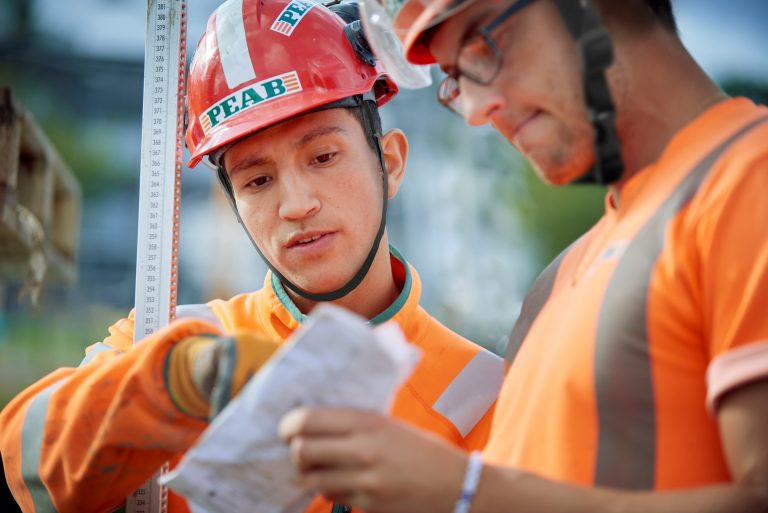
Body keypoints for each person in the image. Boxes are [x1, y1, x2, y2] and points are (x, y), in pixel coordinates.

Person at [0, 2, 503, 512]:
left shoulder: (482, 394)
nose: (296, 205)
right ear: (233, 204)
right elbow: (28, 469)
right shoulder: (171, 339)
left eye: (323, 157)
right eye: (257, 180)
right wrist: (173, 386)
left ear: (389, 163)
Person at [278, 1, 768, 512]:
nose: (473, 111)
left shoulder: (750, 177)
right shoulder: (556, 283)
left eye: (481, 45)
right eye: (454, 79)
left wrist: (466, 491)